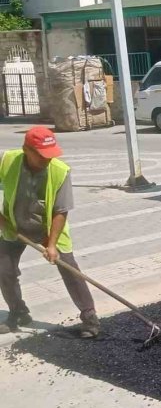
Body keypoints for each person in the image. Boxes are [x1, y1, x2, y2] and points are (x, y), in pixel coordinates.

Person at [0, 126, 101, 337]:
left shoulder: (60, 170)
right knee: (4, 270)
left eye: (50, 154)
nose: (47, 159)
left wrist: (52, 244)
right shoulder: (8, 160)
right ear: (26, 149)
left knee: (70, 269)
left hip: (50, 228)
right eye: (41, 155)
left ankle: (90, 318)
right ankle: (18, 312)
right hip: (13, 226)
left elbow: (60, 211)